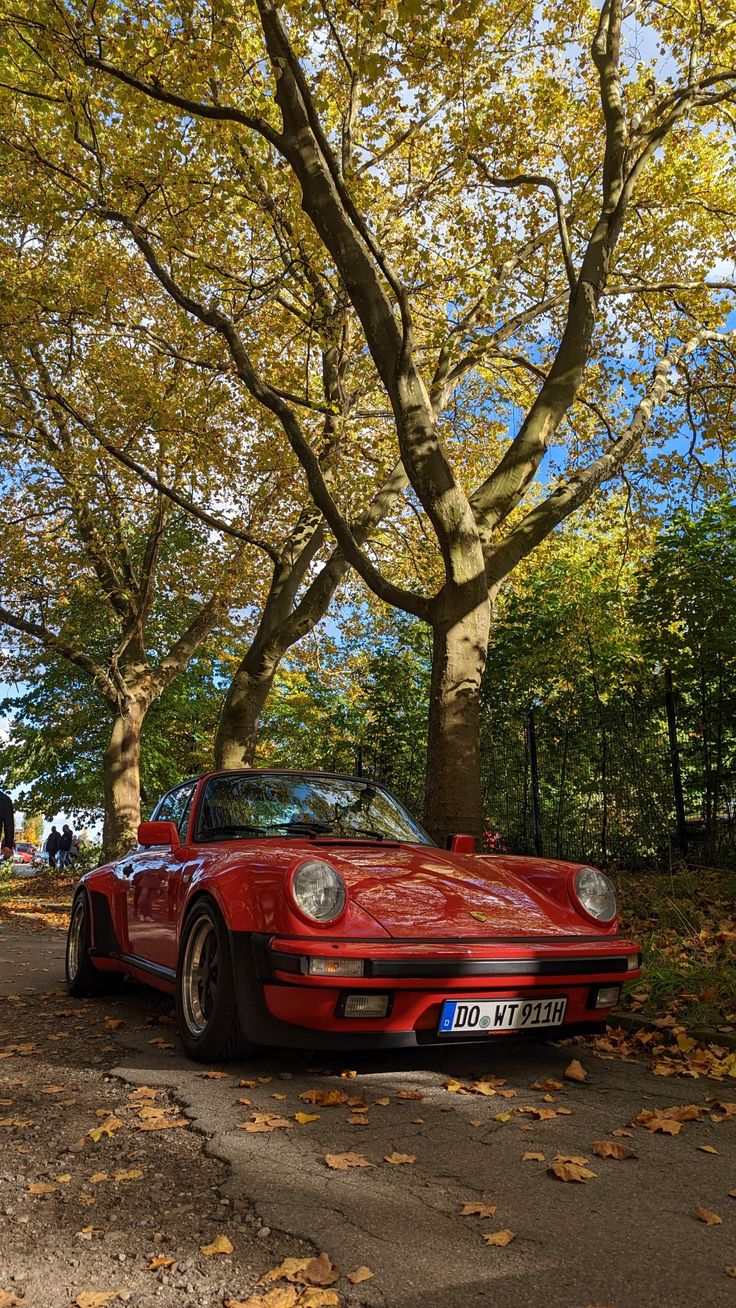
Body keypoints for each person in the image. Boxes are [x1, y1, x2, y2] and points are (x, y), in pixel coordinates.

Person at [0, 788, 14, 862]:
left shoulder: (4, 799)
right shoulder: (5, 799)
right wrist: (8, 845)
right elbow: (9, 825)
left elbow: (9, 825)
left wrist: (8, 845)